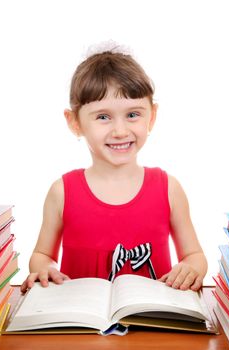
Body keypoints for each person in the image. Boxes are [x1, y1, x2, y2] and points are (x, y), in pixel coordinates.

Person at [21, 44, 207, 293]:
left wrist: (192, 268)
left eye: (133, 115)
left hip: (154, 324)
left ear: (151, 116)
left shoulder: (169, 188)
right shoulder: (62, 191)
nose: (120, 131)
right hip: (81, 325)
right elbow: (42, 254)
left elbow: (194, 255)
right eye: (103, 117)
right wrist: (45, 268)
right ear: (74, 122)